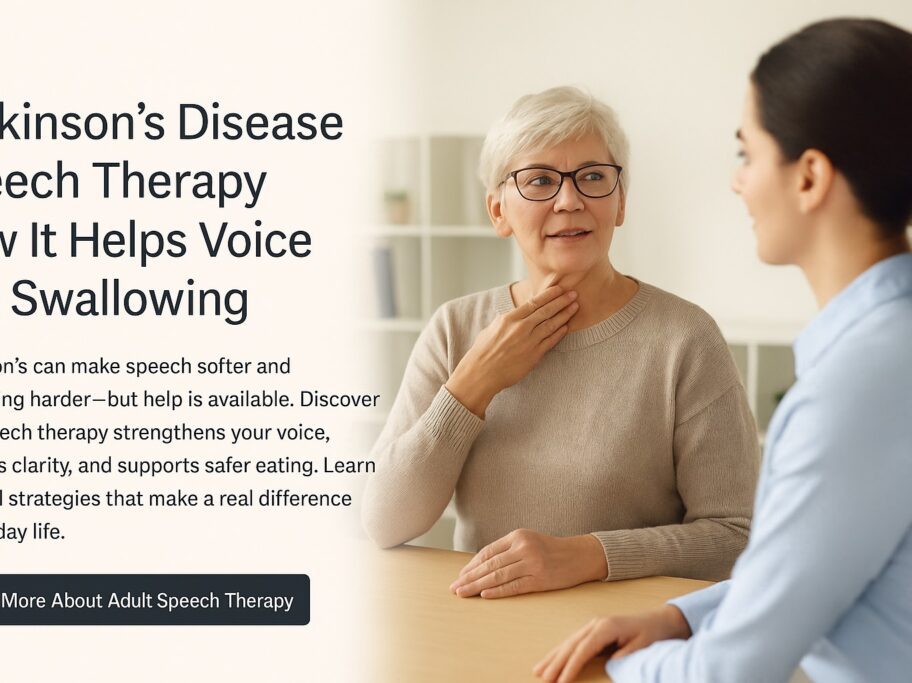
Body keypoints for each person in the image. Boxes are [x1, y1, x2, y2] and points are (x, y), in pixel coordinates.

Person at [533, 18, 912, 683]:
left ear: (810, 177)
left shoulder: (855, 389)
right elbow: (817, 566)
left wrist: (621, 666)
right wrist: (681, 615)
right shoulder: (881, 353)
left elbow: (727, 672)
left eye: (748, 154)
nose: (738, 182)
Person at [361, 86, 761, 596]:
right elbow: (385, 522)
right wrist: (472, 385)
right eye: (540, 181)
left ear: (619, 203)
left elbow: (737, 537)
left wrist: (590, 556)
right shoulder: (454, 329)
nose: (569, 200)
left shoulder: (686, 339)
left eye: (593, 177)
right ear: (498, 211)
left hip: (626, 643)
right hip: (481, 635)